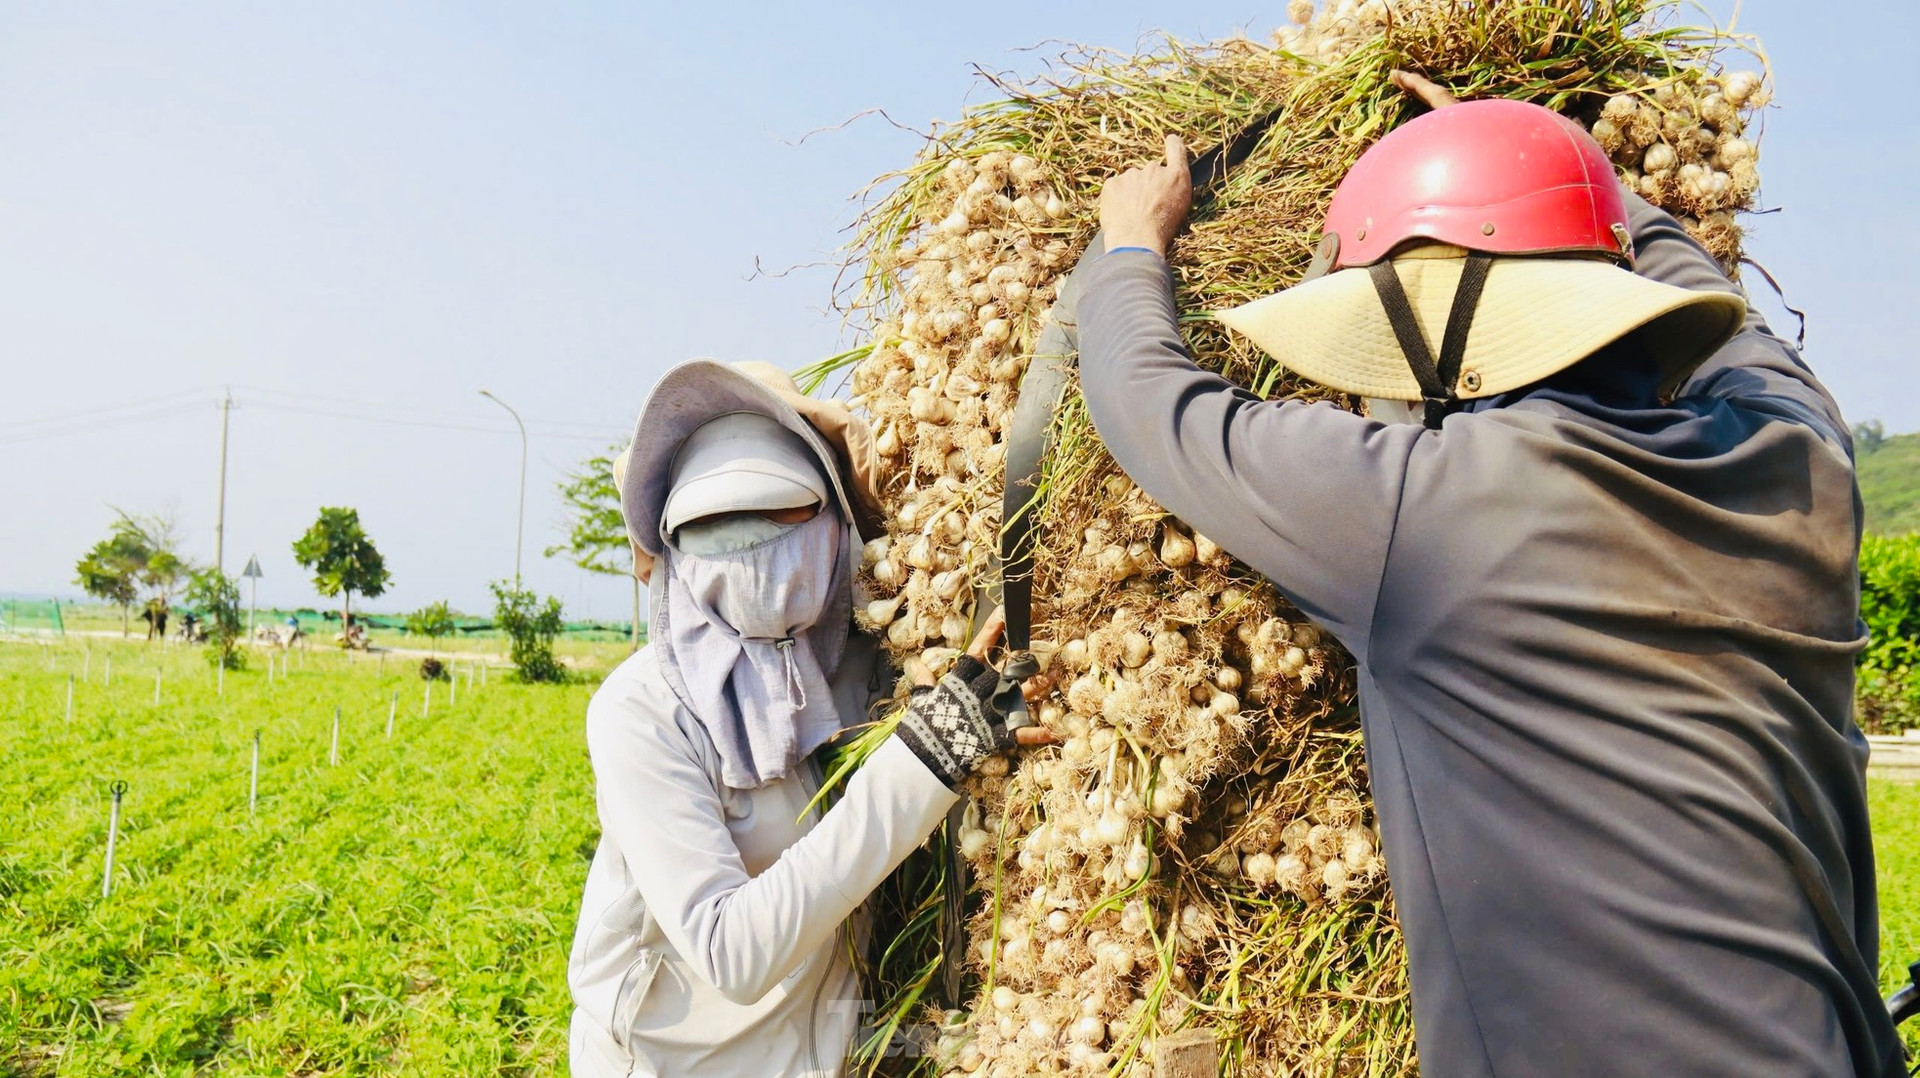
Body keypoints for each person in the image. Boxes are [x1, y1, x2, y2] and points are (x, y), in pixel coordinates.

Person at [1078, 74, 1901, 1076]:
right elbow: (1734, 326)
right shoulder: (1802, 465)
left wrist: (1130, 244)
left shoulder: (1423, 515)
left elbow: (1146, 399)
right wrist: (1559, 170)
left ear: (1446, 339)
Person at [567, 359, 1052, 1078]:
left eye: (783, 517)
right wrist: (928, 756)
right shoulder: (641, 712)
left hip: (814, 1053)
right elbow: (731, 952)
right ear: (672, 541)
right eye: (713, 528)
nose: (749, 550)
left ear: (831, 524)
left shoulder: (862, 665)